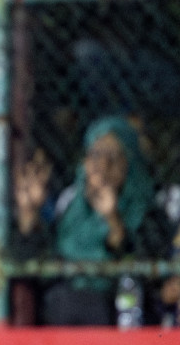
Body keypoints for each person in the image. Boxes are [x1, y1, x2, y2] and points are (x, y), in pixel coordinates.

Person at [38, 116, 170, 325]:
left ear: (130, 162)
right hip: (67, 302)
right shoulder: (70, 206)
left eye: (114, 155)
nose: (103, 164)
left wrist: (113, 219)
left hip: (122, 309)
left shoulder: (147, 210)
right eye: (96, 154)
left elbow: (145, 268)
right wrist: (30, 214)